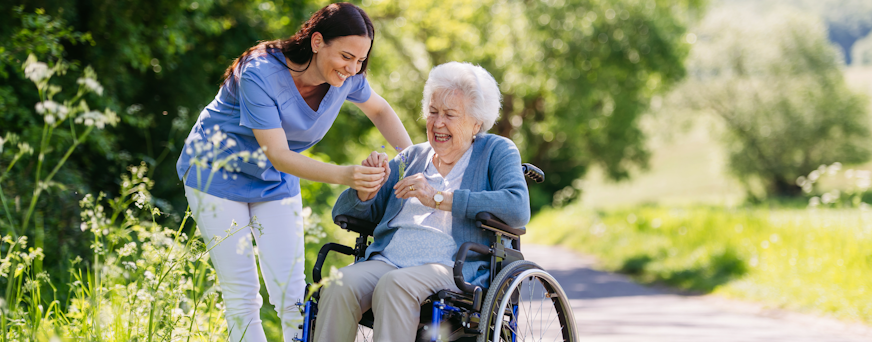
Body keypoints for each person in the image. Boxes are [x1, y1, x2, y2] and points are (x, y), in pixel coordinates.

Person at [175, 3, 413, 342]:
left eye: (360, 60)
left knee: (292, 296)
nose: (353, 68)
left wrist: (415, 159)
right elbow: (280, 155)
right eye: (346, 56)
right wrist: (347, 175)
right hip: (216, 176)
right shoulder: (259, 72)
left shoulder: (347, 79)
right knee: (241, 295)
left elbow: (380, 110)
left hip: (274, 184)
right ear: (317, 42)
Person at [314, 62, 531, 342]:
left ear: (477, 123)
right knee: (338, 285)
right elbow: (343, 212)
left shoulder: (496, 151)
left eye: (450, 114)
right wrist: (365, 190)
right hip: (388, 260)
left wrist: (439, 198)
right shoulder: (411, 157)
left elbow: (516, 206)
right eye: (433, 112)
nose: (438, 123)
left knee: (395, 285)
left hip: (449, 265)